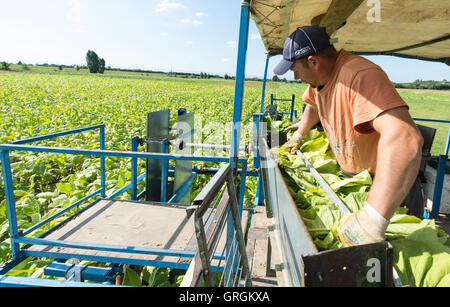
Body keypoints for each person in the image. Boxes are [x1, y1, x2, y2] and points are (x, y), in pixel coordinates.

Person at [273, 26, 424, 247]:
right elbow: (313, 104)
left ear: (314, 62)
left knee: (394, 267)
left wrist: (373, 220)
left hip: (386, 189)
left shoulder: (359, 75)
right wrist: (298, 135)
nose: (296, 77)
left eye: (295, 69)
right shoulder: (320, 80)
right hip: (355, 181)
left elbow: (405, 137)